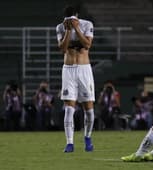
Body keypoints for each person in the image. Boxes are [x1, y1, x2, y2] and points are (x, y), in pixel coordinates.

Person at [56, 5, 95, 152]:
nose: (71, 21)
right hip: (68, 70)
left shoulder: (86, 25)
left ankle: (88, 137)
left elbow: (87, 45)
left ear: (77, 16)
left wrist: (77, 28)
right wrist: (68, 30)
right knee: (69, 109)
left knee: (89, 110)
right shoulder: (61, 27)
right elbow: (63, 48)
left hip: (84, 70)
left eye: (73, 18)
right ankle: (70, 143)